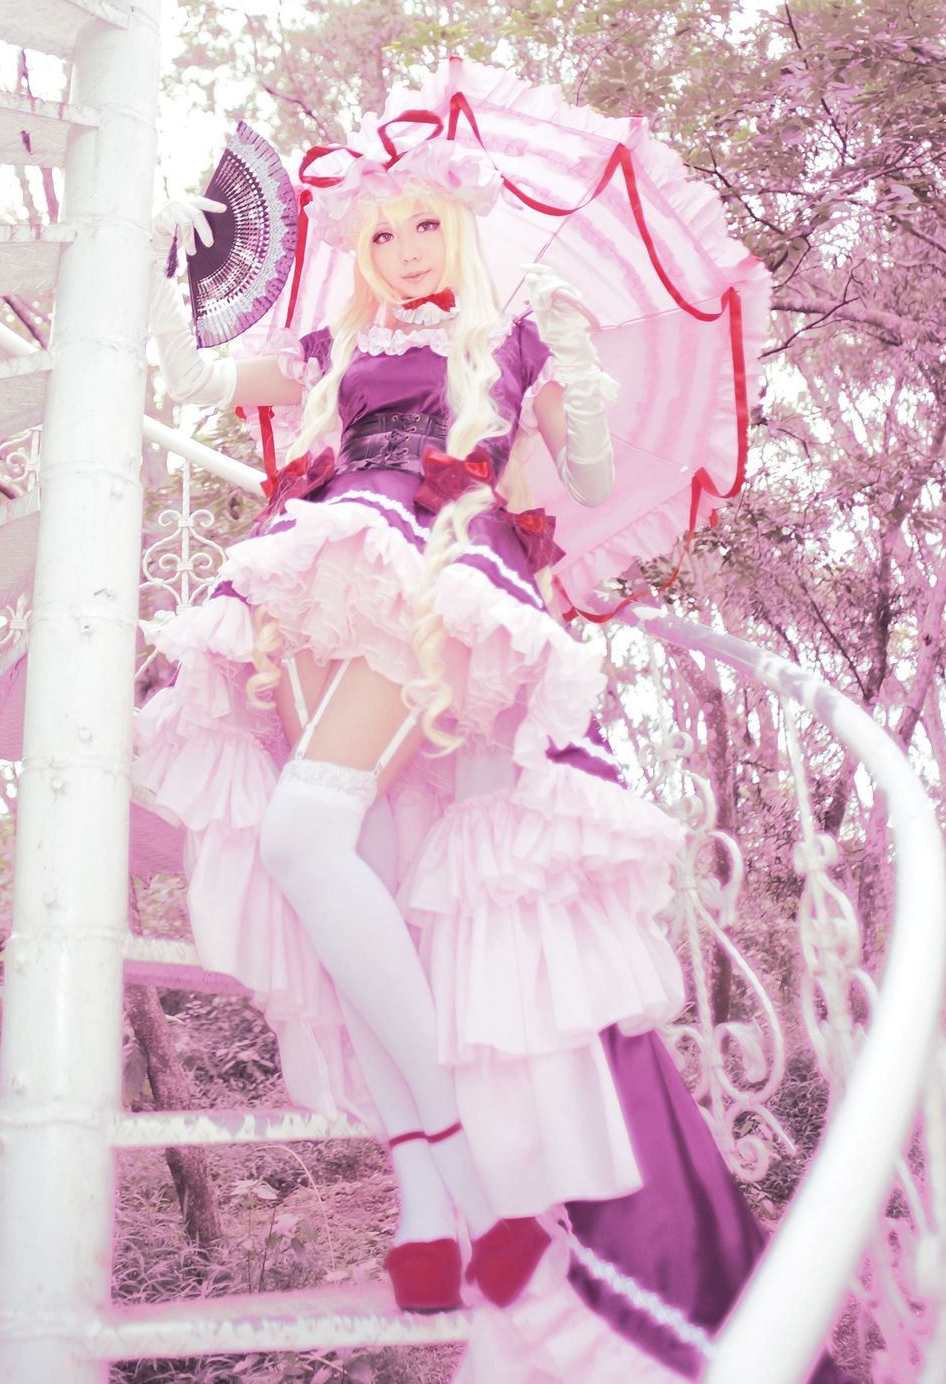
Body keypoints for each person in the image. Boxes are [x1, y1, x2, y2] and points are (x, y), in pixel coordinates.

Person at [138, 140, 833, 1378]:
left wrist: (580, 372)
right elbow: (191, 378)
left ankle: (464, 1164)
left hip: (436, 573)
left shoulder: (509, 343)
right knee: (361, 883)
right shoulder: (333, 349)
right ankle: (425, 1204)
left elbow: (596, 477)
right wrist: (162, 261)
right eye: (381, 233)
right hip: (318, 571)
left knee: (302, 834)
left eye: (424, 226)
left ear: (460, 230)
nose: (403, 251)